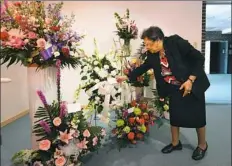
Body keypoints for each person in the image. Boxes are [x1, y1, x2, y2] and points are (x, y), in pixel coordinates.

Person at [116, 26, 210, 160]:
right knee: (175, 117)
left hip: (192, 84)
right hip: (175, 88)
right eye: (145, 44)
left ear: (159, 39)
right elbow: (144, 67)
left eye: (149, 44)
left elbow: (199, 58)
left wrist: (190, 80)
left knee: (198, 118)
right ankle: (175, 143)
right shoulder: (152, 54)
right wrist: (128, 76)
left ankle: (202, 145)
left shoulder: (176, 43)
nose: (147, 47)